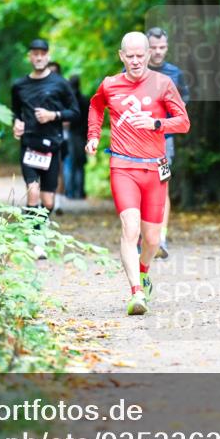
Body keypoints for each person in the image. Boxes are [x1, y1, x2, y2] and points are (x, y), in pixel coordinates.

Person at [86, 32, 190, 315]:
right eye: (129, 56)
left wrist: (156, 123)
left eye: (139, 56)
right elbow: (96, 107)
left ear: (148, 55)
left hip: (155, 167)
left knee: (153, 240)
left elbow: (183, 123)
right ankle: (136, 293)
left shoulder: (164, 83)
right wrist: (94, 136)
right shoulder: (110, 85)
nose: (134, 61)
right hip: (123, 166)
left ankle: (144, 270)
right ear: (121, 56)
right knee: (130, 229)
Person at [11, 38, 79, 258]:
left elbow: (75, 112)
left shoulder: (60, 83)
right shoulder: (19, 86)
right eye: (35, 53)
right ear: (30, 57)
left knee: (48, 201)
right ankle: (36, 242)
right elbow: (15, 112)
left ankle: (36, 225)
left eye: (42, 53)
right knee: (33, 191)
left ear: (48, 56)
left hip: (52, 146)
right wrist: (16, 123)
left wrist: (53, 115)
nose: (39, 57)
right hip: (29, 145)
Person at [145, 27, 190, 259]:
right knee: (141, 189)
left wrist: (165, 121)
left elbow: (183, 105)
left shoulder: (175, 74)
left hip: (164, 141)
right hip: (137, 144)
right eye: (153, 48)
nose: (158, 52)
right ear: (146, 47)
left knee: (162, 186)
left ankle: (161, 238)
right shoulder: (132, 71)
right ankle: (145, 237)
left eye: (162, 48)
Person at [64, 74, 89, 199]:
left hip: (71, 134)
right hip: (82, 135)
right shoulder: (85, 100)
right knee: (80, 164)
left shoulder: (69, 101)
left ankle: (70, 192)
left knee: (70, 163)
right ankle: (80, 192)